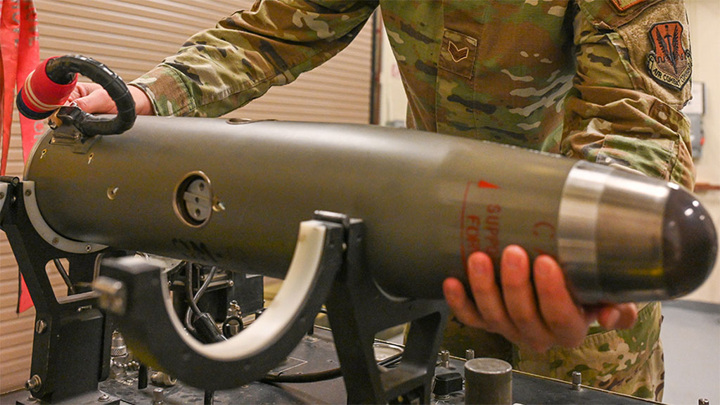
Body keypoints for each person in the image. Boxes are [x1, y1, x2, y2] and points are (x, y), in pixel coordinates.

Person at [68, 0, 694, 401]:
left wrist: (589, 250)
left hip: (571, 273)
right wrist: (150, 96)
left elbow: (635, 121)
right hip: (439, 248)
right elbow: (278, 27)